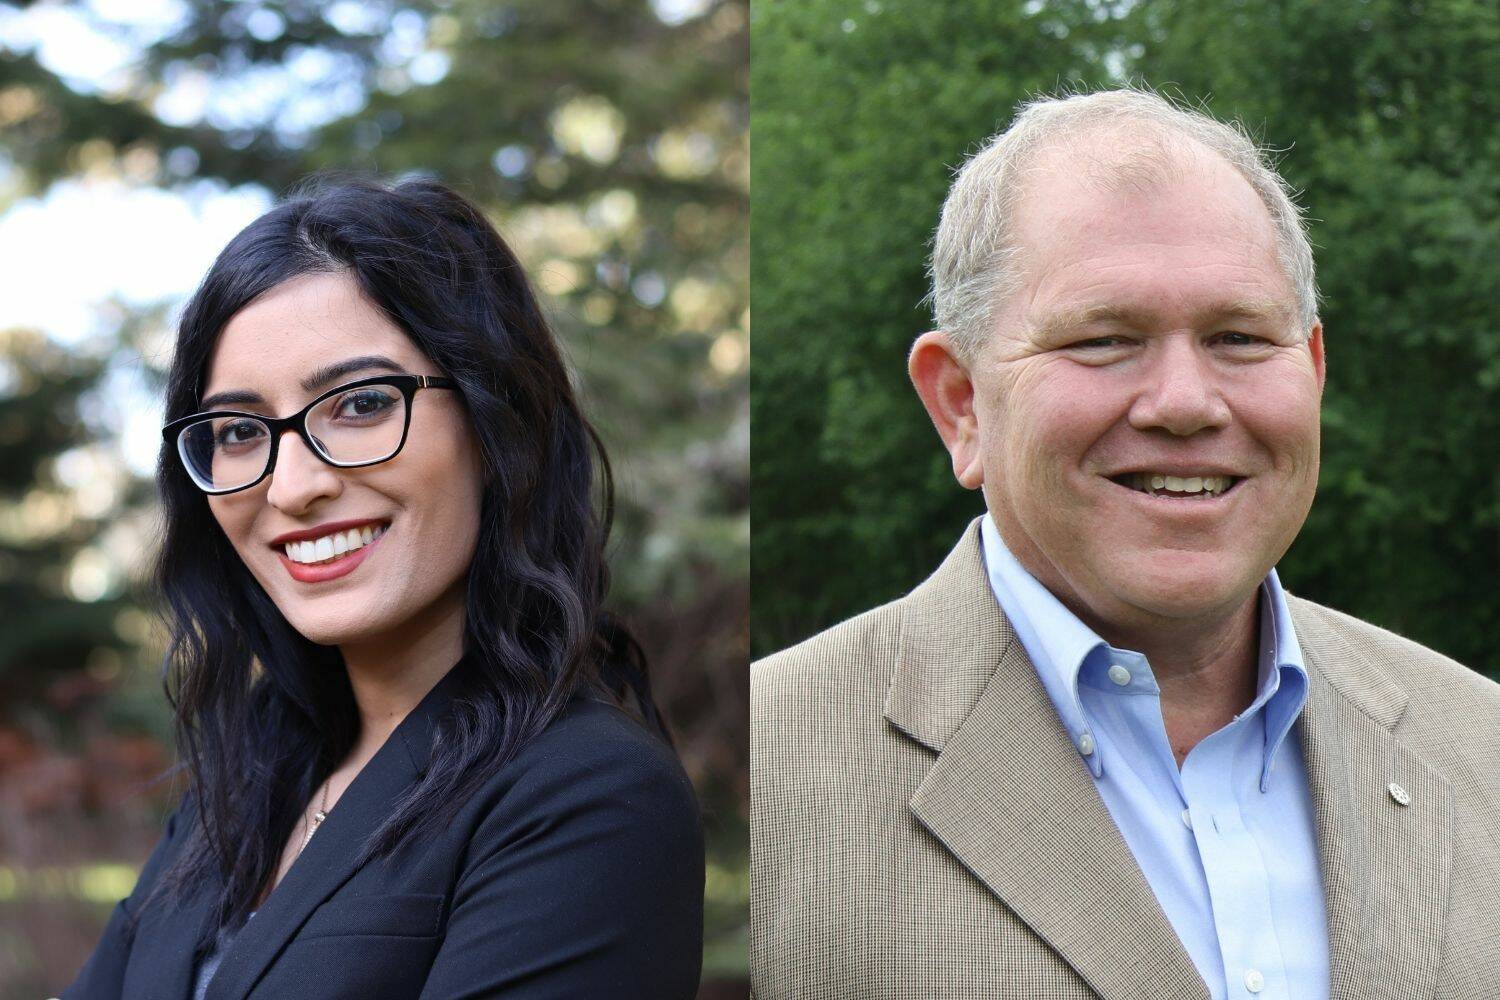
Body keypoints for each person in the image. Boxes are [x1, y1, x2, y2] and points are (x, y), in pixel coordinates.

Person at [751, 88, 1500, 999]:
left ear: (1312, 371)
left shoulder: (1479, 745)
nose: (1185, 402)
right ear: (960, 404)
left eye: (1237, 337)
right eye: (1105, 340)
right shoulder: (771, 773)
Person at [62, 177, 704, 1000]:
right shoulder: (247, 779)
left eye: (360, 404)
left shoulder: (589, 796)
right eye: (237, 430)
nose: (291, 486)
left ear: (495, 419)